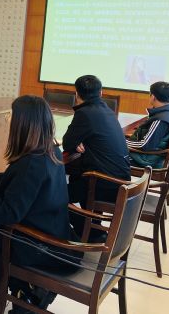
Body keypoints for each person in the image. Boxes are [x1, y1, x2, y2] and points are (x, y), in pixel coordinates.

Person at [0, 95, 76, 314]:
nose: (7, 119)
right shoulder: (49, 148)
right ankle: (21, 291)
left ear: (24, 122)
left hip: (39, 245)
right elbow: (25, 184)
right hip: (54, 231)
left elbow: (8, 213)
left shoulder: (32, 162)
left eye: (11, 115)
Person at [62, 75, 130, 234]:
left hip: (103, 184)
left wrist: (78, 141)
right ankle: (92, 227)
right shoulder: (108, 111)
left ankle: (90, 232)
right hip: (120, 181)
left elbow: (67, 143)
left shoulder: (84, 113)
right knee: (74, 176)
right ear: (101, 93)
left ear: (77, 94)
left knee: (52, 194)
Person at [127, 81, 169, 168]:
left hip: (143, 160)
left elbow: (145, 145)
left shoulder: (161, 120)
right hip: (150, 157)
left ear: (153, 97)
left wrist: (121, 142)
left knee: (107, 154)